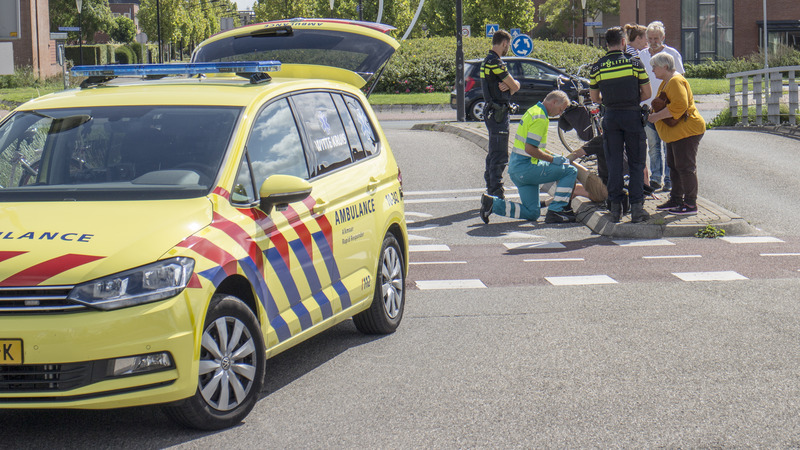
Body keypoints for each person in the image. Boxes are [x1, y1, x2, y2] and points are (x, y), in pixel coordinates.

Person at [480, 90, 577, 224]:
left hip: (517, 169)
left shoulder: (533, 110)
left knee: (533, 213)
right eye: (560, 109)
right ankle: (557, 211)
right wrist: (553, 159)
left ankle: (493, 204)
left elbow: (534, 146)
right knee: (570, 171)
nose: (560, 114)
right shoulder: (541, 118)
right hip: (527, 168)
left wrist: (551, 154)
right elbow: (530, 149)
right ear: (554, 102)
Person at [589, 26, 651, 223]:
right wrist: (632, 99)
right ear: (624, 42)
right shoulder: (634, 63)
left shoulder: (597, 67)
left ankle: (615, 209)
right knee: (636, 162)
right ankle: (637, 208)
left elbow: (595, 97)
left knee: (614, 162)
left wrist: (610, 100)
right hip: (632, 116)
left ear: (606, 44)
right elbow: (647, 94)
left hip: (611, 117)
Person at [647, 52, 705, 215]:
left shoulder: (676, 80)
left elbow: (680, 106)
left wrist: (656, 117)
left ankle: (690, 204)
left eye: (654, 67)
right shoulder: (667, 81)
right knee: (674, 166)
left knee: (685, 167)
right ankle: (676, 199)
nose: (652, 70)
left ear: (665, 66)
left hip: (686, 131)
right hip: (676, 133)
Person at [639, 20, 685, 193]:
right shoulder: (642, 55)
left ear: (663, 37)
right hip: (647, 107)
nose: (653, 41)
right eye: (650, 38)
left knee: (669, 145)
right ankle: (655, 178)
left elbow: (680, 78)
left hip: (666, 108)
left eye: (656, 38)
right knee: (653, 146)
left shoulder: (672, 54)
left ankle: (669, 179)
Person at [480, 29, 520, 200]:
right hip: (498, 113)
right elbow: (516, 86)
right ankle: (496, 190)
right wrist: (511, 85)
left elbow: (512, 84)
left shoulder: (486, 61)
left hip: (492, 111)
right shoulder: (495, 63)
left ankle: (491, 184)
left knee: (493, 152)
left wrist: (510, 84)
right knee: (500, 153)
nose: (507, 49)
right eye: (508, 45)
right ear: (504, 43)